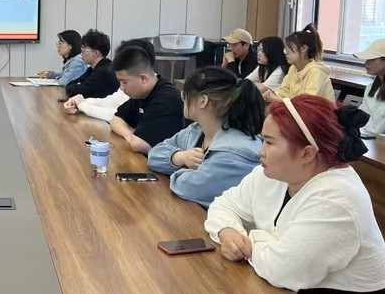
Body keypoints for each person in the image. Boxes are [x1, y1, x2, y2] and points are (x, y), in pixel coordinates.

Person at [205, 95, 385, 292]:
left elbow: (281, 270)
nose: (260, 151)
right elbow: (223, 205)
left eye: (269, 143)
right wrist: (228, 231)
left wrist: (249, 238)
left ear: (307, 153)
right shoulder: (273, 173)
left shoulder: (337, 199)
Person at [148, 67, 264, 208]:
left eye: (185, 94)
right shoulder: (196, 130)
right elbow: (154, 155)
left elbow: (187, 187)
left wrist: (175, 168)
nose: (183, 99)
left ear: (203, 101)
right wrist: (180, 157)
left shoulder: (235, 153)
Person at [111, 45, 184, 154]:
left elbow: (139, 145)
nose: (121, 87)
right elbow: (116, 120)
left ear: (143, 78)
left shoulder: (166, 99)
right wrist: (130, 136)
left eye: (124, 82)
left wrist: (133, 138)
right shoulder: (141, 94)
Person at [63, 38, 155, 121]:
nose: (122, 87)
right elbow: (112, 101)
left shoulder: (155, 94)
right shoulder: (133, 82)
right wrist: (81, 102)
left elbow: (116, 115)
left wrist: (83, 105)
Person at [263, 24, 334, 103]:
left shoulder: (316, 72)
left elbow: (306, 104)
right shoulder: (293, 68)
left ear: (304, 49)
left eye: (289, 48)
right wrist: (271, 95)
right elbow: (283, 92)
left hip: (316, 111)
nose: (285, 52)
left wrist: (276, 99)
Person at [65, 29, 119, 99]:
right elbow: (71, 84)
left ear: (96, 53)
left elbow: (74, 92)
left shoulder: (103, 72)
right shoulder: (92, 69)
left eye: (85, 48)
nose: (81, 53)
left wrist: (77, 86)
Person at [354, 38, 385, 138]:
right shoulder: (371, 88)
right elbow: (361, 120)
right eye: (367, 59)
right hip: (366, 138)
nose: (367, 63)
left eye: (372, 59)